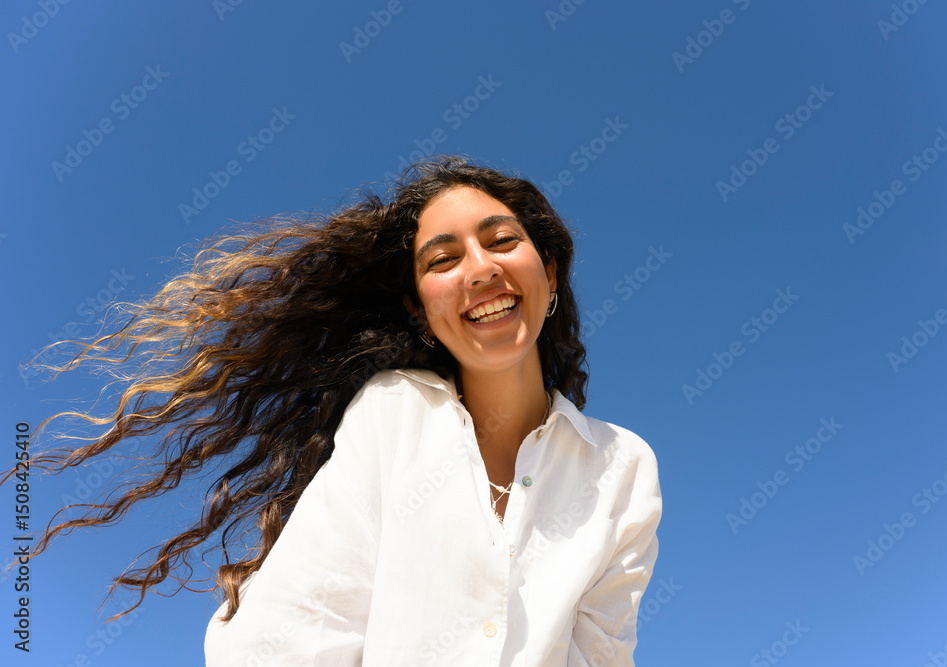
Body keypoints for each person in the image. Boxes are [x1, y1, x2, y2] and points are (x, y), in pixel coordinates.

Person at [23, 156, 661, 665]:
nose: (480, 269)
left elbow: (599, 657)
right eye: (443, 259)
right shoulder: (394, 412)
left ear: (549, 272)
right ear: (420, 311)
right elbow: (295, 633)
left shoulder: (623, 467)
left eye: (501, 240)